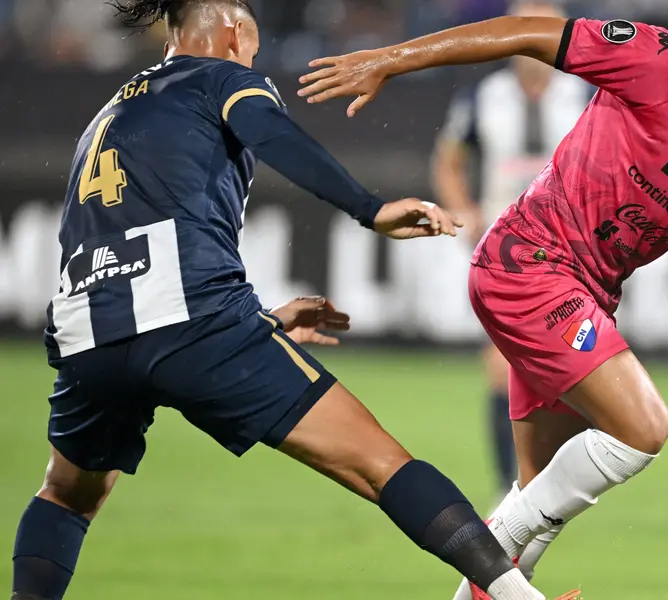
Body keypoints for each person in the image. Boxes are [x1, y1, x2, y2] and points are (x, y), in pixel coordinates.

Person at [8, 2, 578, 600]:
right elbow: (271, 134)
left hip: (87, 329)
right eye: (252, 43)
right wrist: (370, 207)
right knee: (380, 464)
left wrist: (260, 320)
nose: (254, 56)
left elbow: (129, 242)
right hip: (194, 325)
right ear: (234, 30)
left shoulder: (109, 112)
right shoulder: (225, 78)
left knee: (66, 495)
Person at [296, 2, 668, 597]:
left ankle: (496, 572)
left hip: (587, 295)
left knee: (538, 500)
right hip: (528, 263)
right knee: (643, 427)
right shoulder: (661, 61)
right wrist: (391, 59)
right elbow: (523, 33)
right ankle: (501, 554)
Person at [431, 0, 593, 507]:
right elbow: (448, 160)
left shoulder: (586, 91)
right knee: (501, 367)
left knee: (579, 373)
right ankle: (511, 488)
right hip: (507, 249)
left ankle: (557, 482)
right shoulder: (484, 95)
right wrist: (464, 212)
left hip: (575, 252)